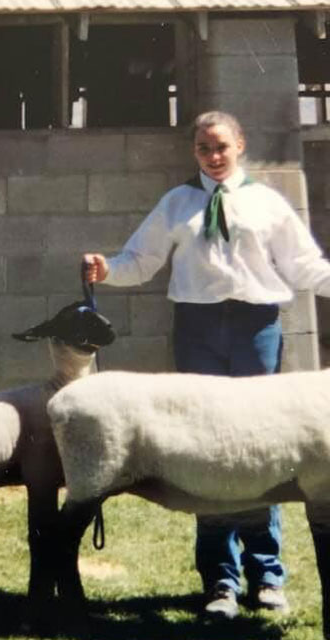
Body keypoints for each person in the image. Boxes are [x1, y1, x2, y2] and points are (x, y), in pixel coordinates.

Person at [83, 110, 330, 620]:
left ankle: (267, 576)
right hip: (197, 330)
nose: (213, 157)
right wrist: (107, 270)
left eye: (221, 146)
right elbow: (141, 261)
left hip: (256, 329)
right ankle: (219, 580)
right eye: (203, 149)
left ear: (240, 145)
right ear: (194, 152)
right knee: (207, 451)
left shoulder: (267, 203)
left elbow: (305, 265)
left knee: (264, 450)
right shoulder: (177, 203)